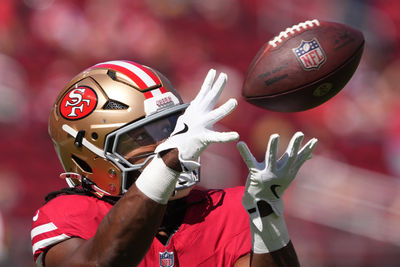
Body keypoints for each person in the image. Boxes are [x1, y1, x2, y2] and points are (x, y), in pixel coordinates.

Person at [31, 60, 317, 267]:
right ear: (88, 155)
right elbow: (98, 262)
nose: (169, 142)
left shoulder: (227, 209)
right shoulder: (66, 213)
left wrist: (269, 221)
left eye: (171, 127)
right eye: (142, 136)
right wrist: (167, 164)